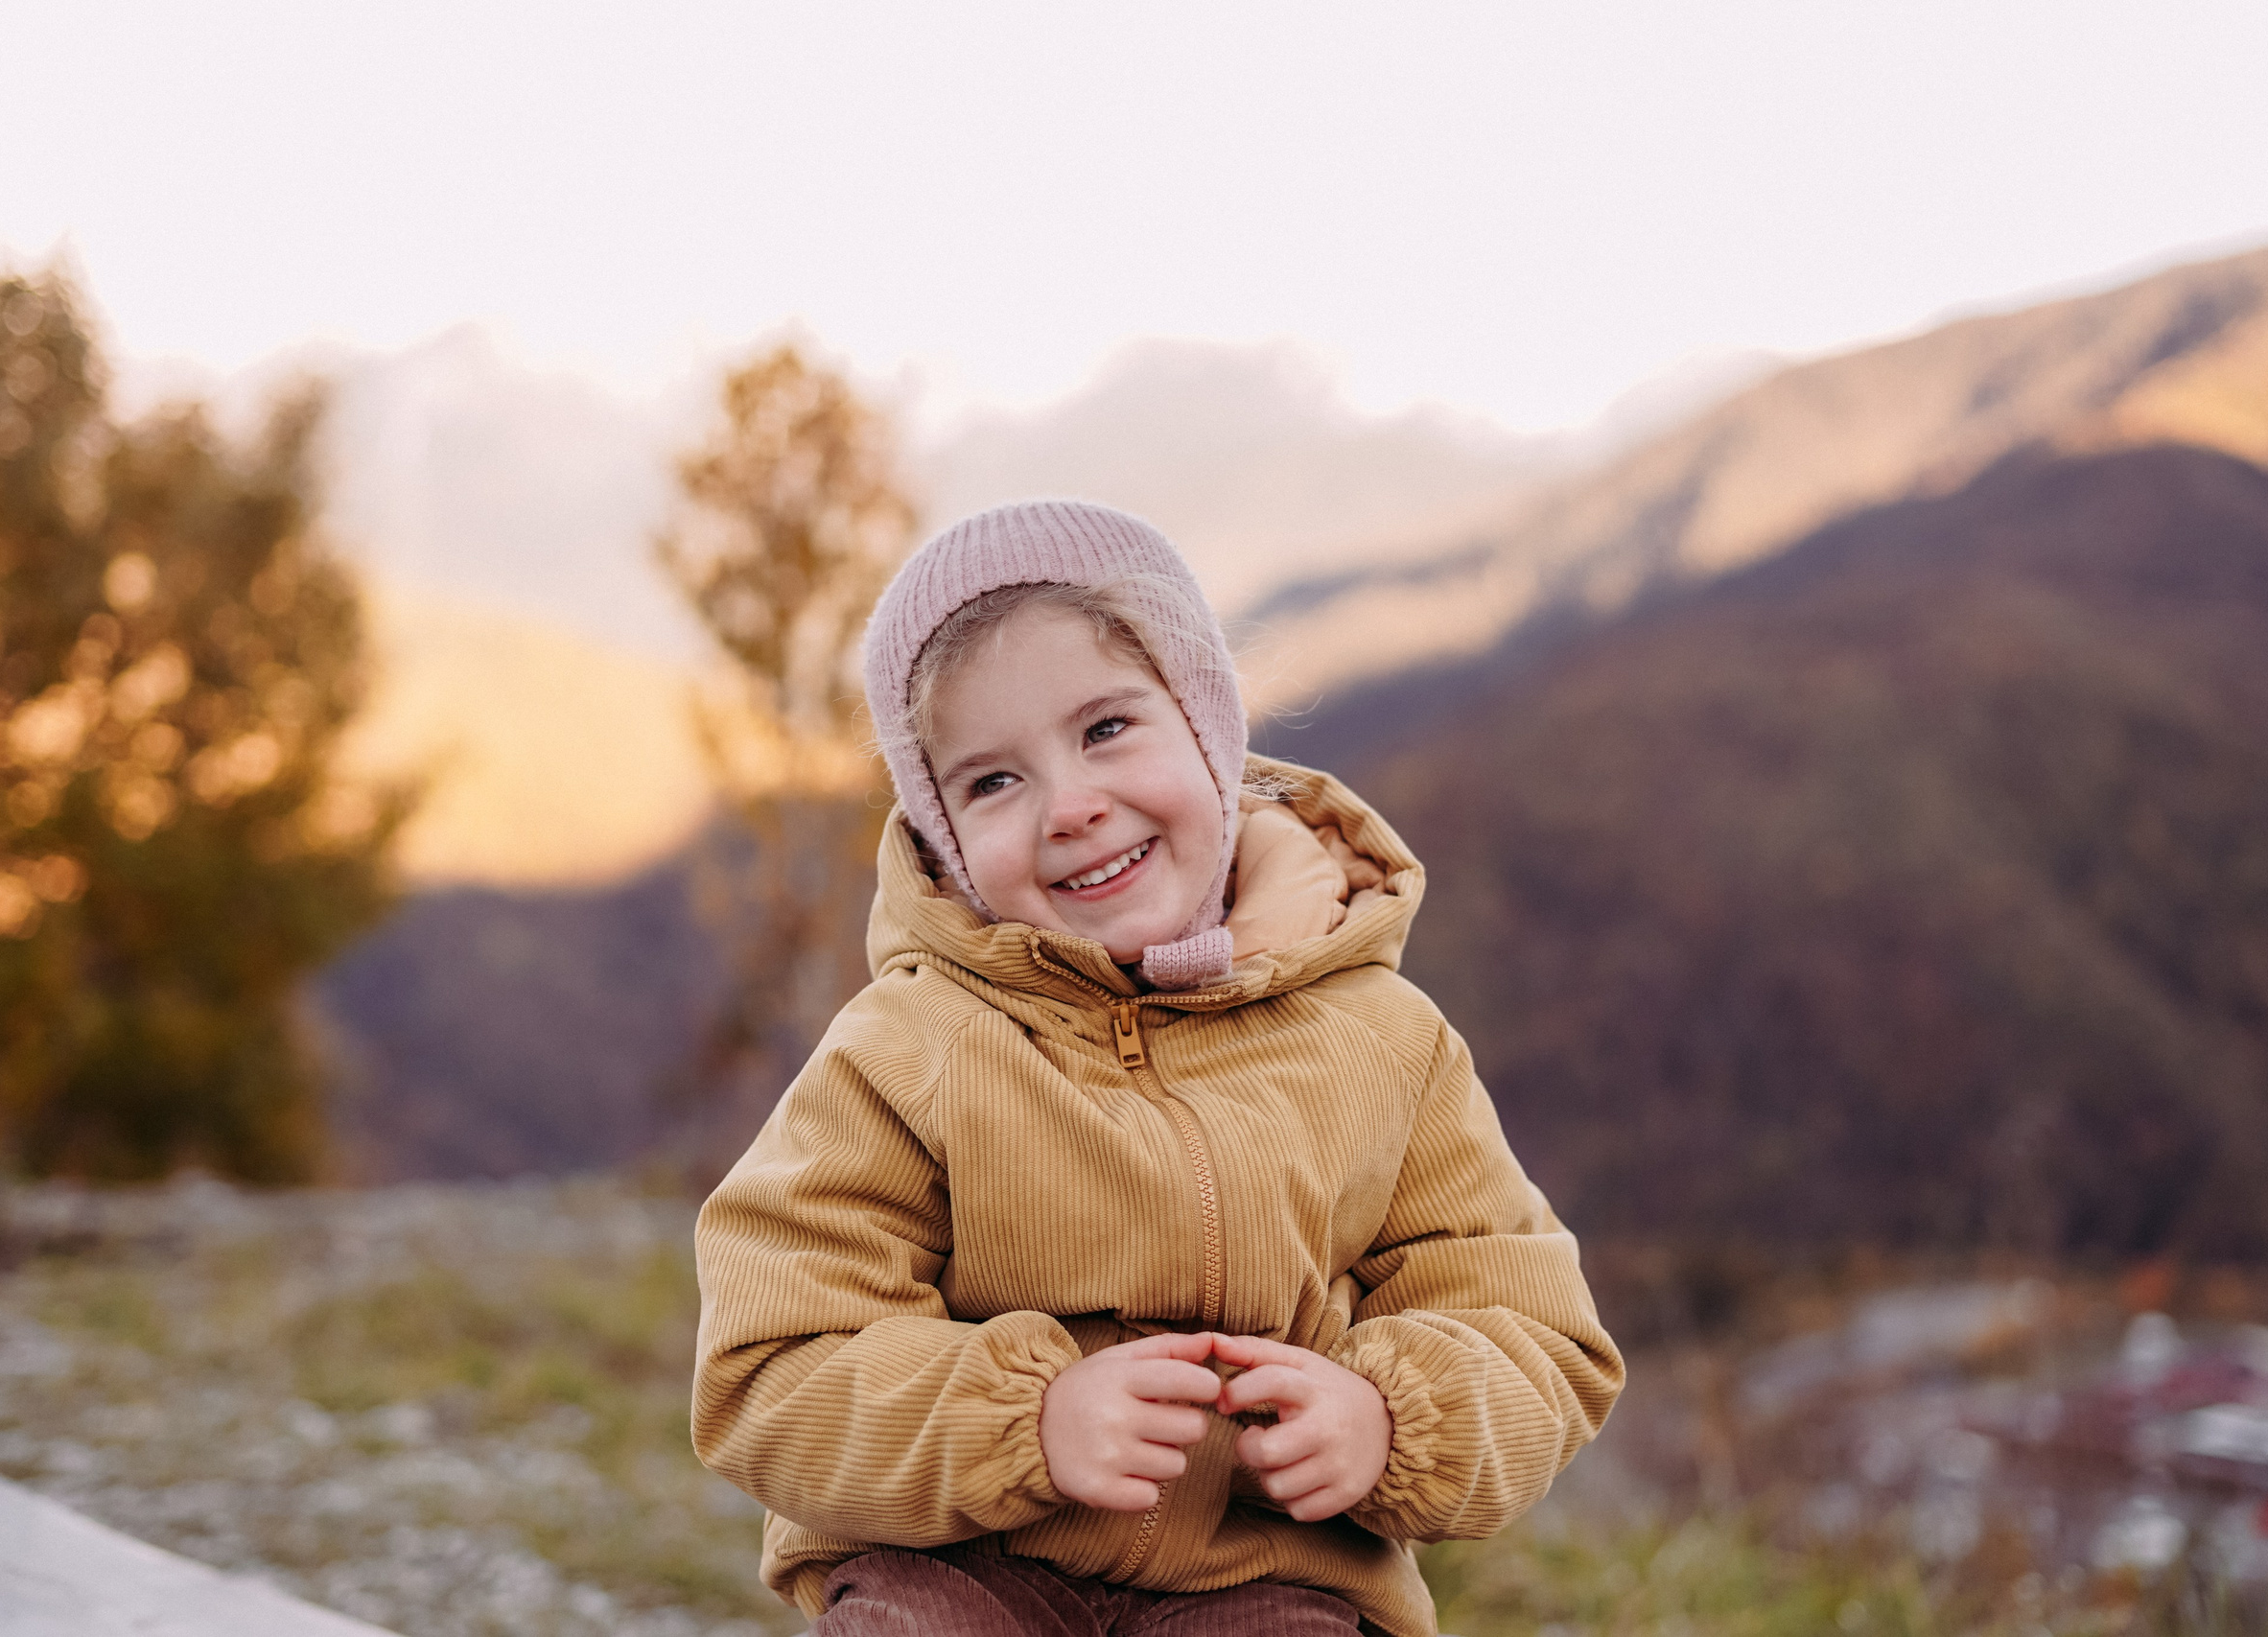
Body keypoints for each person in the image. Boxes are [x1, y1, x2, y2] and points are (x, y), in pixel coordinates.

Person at [690, 501, 1623, 1636]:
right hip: (961, 1567)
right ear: (942, 838)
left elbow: (1531, 1329)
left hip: (1269, 1583)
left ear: (1209, 730)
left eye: (1106, 729)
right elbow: (772, 1366)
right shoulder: (905, 1053)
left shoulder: (1387, 1043)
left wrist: (1390, 1416)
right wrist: (1024, 1420)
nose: (1072, 807)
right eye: (991, 782)